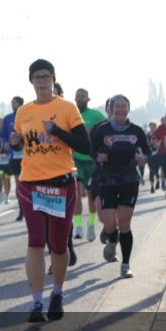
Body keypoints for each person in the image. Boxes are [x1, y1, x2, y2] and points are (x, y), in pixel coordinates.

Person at [10, 60, 92, 322]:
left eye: (46, 76)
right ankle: (36, 303)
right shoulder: (23, 112)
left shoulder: (67, 108)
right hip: (31, 184)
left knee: (58, 244)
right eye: (37, 77)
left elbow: (84, 145)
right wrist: (14, 142)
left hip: (61, 184)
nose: (42, 80)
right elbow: (17, 142)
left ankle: (57, 292)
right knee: (35, 240)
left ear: (54, 79)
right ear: (31, 81)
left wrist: (57, 131)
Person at [92, 96, 151, 278]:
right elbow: (90, 149)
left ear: (128, 109)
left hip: (129, 179)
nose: (120, 109)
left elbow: (147, 151)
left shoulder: (136, 131)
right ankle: (112, 238)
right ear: (111, 109)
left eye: (123, 106)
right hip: (107, 179)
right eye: (116, 106)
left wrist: (144, 158)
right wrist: (97, 157)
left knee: (125, 222)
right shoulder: (102, 130)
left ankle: (125, 265)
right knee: (109, 222)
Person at [72, 88, 107, 241]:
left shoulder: (97, 116)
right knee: (76, 193)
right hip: (76, 160)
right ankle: (78, 226)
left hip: (92, 160)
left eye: (83, 96)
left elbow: (107, 133)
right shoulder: (70, 114)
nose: (80, 99)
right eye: (77, 96)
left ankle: (91, 225)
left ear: (88, 99)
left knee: (92, 195)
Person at [1, 96, 25, 220]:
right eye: (11, 103)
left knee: (28, 183)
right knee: (18, 183)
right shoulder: (8, 118)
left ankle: (29, 207)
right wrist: (4, 142)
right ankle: (21, 210)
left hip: (28, 155)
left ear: (21, 104)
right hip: (14, 156)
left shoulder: (27, 115)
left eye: (14, 103)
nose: (13, 105)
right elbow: (3, 135)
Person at [146, 121, 162, 193]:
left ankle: (158, 180)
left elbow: (161, 142)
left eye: (153, 127)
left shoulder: (159, 134)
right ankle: (152, 187)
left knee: (156, 170)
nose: (152, 128)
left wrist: (157, 143)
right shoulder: (147, 135)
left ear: (156, 127)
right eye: (151, 127)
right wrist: (150, 143)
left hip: (158, 154)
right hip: (150, 154)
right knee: (151, 170)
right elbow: (144, 143)